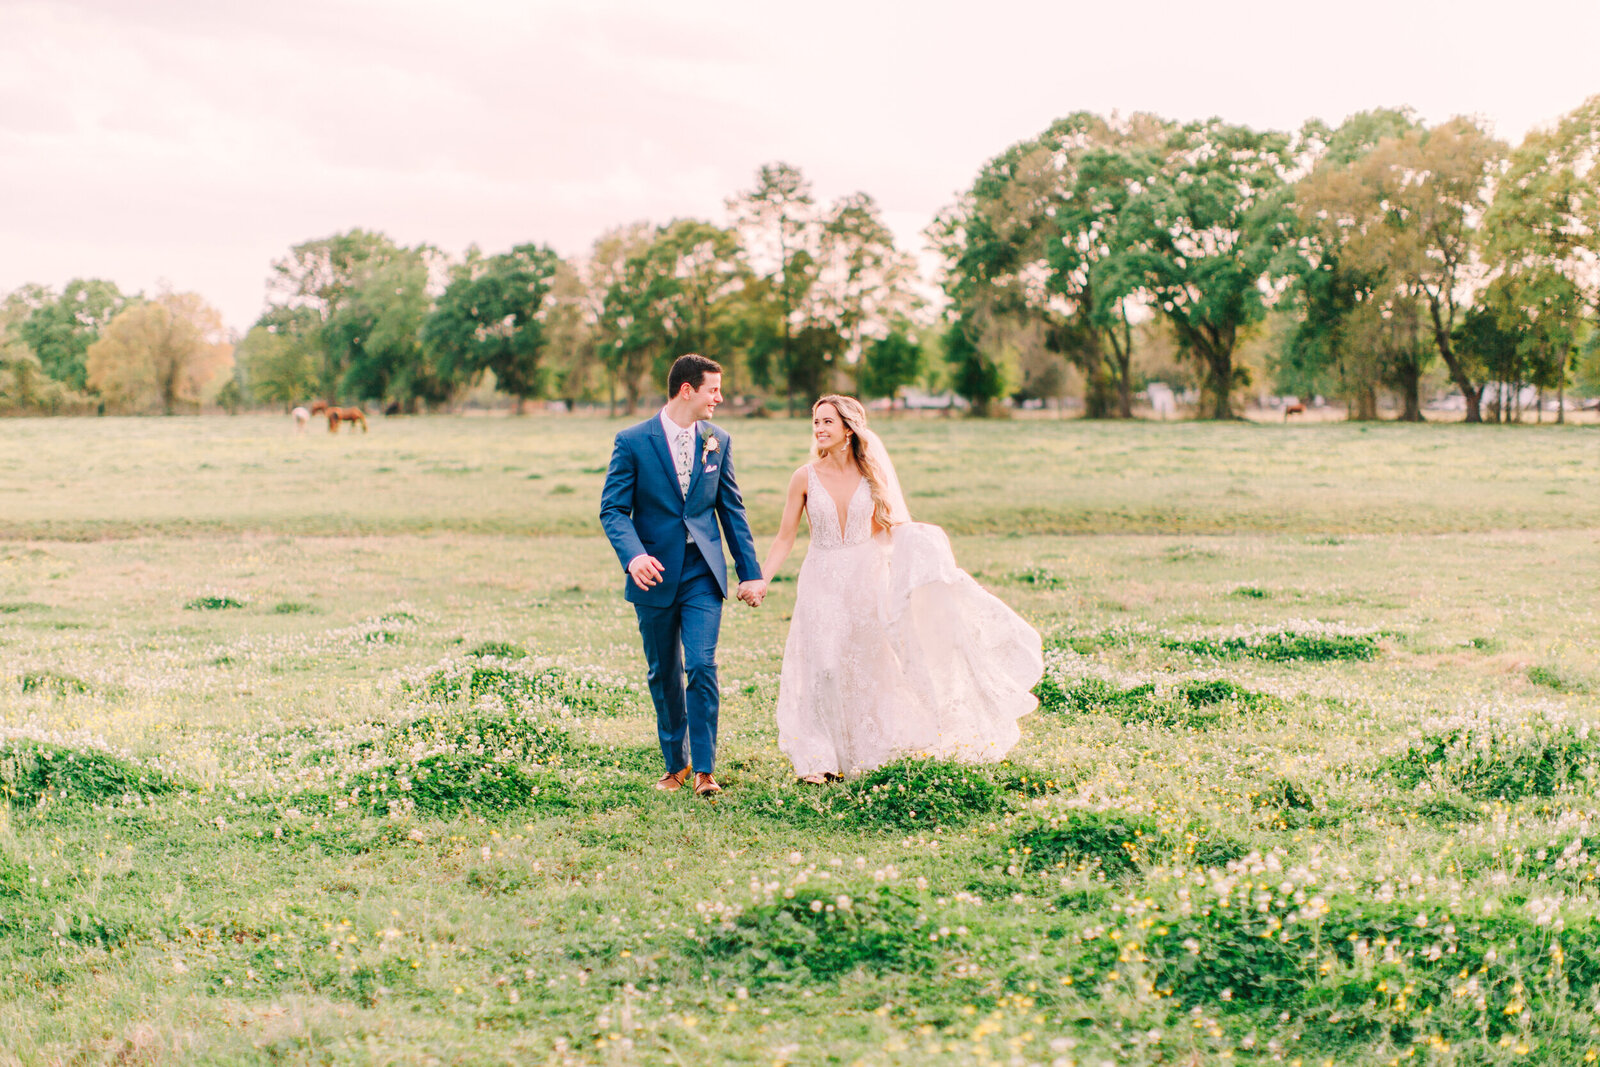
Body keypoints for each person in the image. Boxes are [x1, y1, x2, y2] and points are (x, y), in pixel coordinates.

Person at [745, 395, 1043, 782]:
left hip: (866, 576)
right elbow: (785, 537)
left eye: (826, 422)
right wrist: (762, 578)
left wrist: (929, 546)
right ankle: (818, 758)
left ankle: (867, 750)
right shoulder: (803, 476)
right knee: (825, 666)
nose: (818, 429)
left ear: (848, 429)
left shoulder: (872, 477)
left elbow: (894, 529)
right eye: (815, 422)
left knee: (868, 665)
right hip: (821, 578)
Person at [599, 355, 766, 797]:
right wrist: (634, 557)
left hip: (702, 573)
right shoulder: (633, 441)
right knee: (664, 672)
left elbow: (731, 509)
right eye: (713, 389)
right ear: (687, 390)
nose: (720, 398)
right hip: (652, 573)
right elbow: (613, 509)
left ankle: (705, 771)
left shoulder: (719, 441)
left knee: (701, 664)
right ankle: (676, 763)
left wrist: (751, 573)